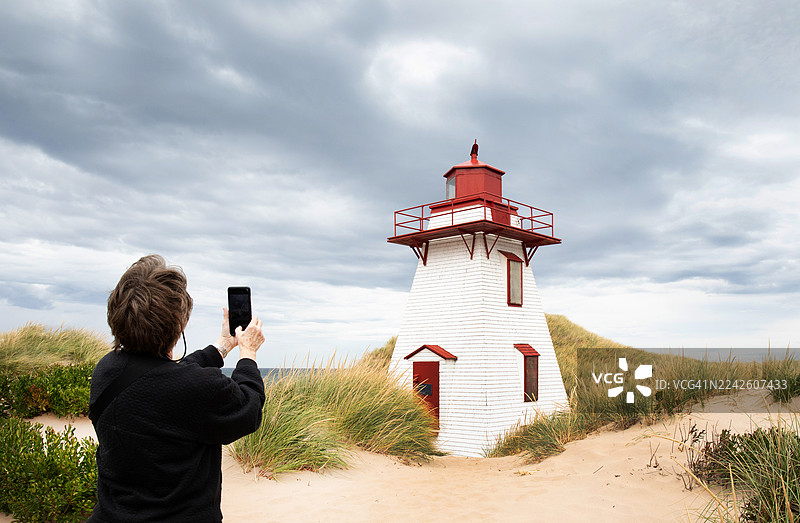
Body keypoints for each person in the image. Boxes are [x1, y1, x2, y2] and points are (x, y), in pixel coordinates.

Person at [88, 255, 266, 522]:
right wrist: (247, 352)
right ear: (179, 324)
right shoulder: (195, 388)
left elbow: (166, 374)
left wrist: (221, 347)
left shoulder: (106, 370)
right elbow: (248, 409)